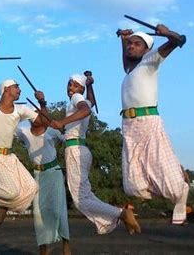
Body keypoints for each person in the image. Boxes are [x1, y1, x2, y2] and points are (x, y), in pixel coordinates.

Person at [50, 74, 141, 235]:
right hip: (81, 150)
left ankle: (121, 214)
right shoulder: (82, 98)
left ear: (80, 90)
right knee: (86, 196)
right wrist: (90, 86)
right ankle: (119, 216)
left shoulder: (76, 99)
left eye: (75, 85)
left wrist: (62, 122)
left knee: (81, 200)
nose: (70, 87)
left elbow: (86, 111)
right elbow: (90, 103)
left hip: (75, 151)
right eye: (69, 83)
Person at [118, 25, 189, 225]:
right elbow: (126, 62)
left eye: (136, 44)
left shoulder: (151, 61)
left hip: (148, 122)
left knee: (173, 186)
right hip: (129, 127)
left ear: (147, 49)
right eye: (130, 44)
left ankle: (181, 188)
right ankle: (174, 175)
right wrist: (123, 41)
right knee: (132, 186)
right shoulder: (131, 71)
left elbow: (179, 40)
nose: (131, 47)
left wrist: (167, 34)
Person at [0, 80, 50, 224]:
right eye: (16, 87)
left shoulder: (21, 109)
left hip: (10, 158)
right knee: (12, 192)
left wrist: (42, 102)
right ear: (6, 89)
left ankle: (5, 205)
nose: (19, 89)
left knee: (32, 187)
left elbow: (44, 122)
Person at [16, 106, 71, 254]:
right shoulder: (23, 132)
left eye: (36, 116)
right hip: (38, 176)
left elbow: (66, 139)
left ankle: (66, 246)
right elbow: (10, 123)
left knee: (58, 212)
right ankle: (43, 251)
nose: (33, 119)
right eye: (31, 118)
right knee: (39, 215)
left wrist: (42, 102)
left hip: (54, 173)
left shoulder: (51, 131)